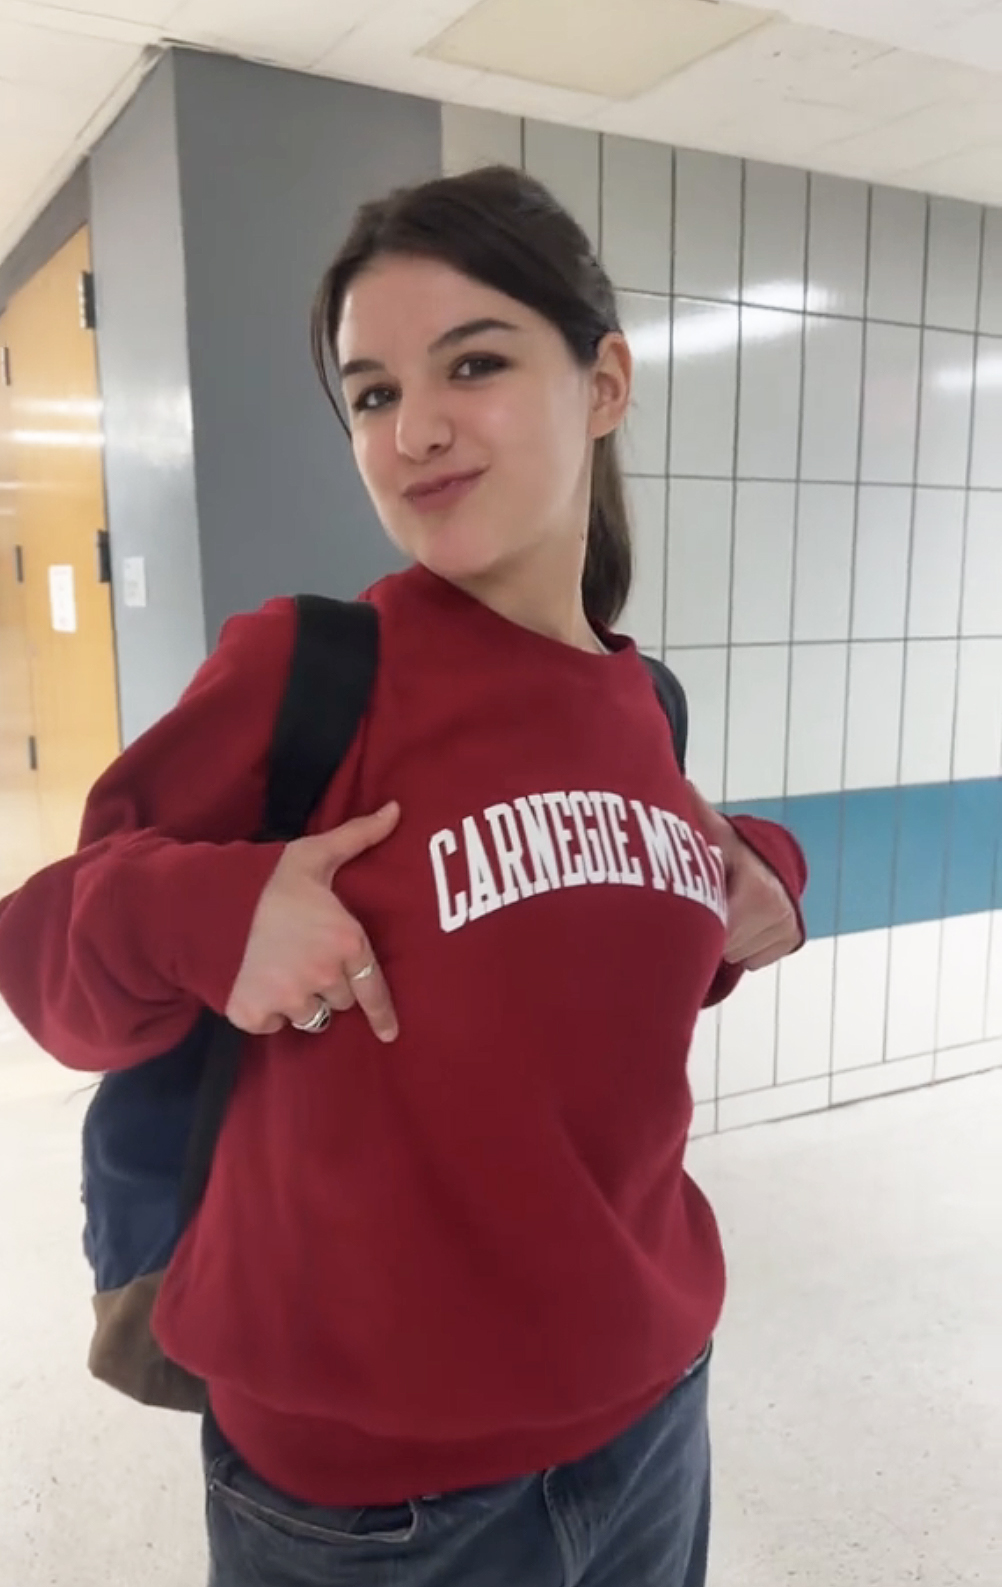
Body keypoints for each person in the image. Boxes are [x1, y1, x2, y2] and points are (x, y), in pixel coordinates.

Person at [0, 165, 806, 1586]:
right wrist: (208, 914)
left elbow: (604, 955)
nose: (416, 430)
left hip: (647, 1416)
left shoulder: (645, 705)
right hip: (370, 1506)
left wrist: (765, 874)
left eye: (474, 365)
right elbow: (49, 961)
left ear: (603, 381)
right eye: (370, 394)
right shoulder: (309, 672)